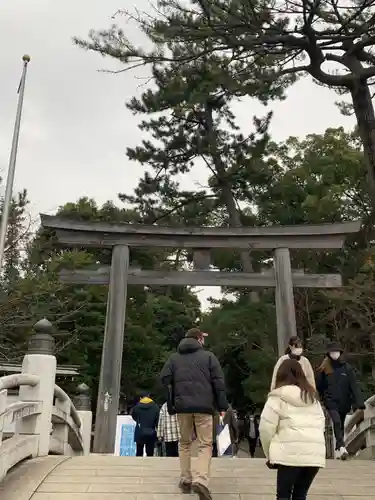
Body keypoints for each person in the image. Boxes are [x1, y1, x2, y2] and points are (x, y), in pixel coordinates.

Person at [160, 327, 228, 500]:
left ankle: (185, 479)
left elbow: (164, 378)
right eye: (202, 338)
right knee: (205, 444)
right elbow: (219, 383)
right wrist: (222, 406)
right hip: (204, 407)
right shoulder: (209, 357)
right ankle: (201, 480)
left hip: (182, 408)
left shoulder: (174, 358)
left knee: (184, 442)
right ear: (199, 339)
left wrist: (174, 395)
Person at [260, 358, 325, 500]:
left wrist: (269, 454)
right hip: (314, 454)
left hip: (288, 455)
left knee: (283, 495)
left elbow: (265, 428)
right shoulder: (313, 399)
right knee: (300, 495)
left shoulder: (277, 397)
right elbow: (321, 425)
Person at [315, 342, 365, 460]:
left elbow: (353, 386)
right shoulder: (324, 368)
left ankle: (338, 449)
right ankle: (342, 447)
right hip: (330, 401)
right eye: (332, 352)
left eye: (337, 352)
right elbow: (319, 386)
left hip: (344, 402)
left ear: (340, 353)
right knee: (336, 421)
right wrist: (322, 398)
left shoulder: (346, 368)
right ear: (328, 354)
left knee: (341, 424)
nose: (335, 354)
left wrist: (359, 402)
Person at [131, 391, 160, 457]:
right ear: (148, 396)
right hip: (151, 432)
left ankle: (139, 466)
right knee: (150, 453)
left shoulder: (137, 407)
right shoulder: (155, 406)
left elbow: (134, 416)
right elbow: (157, 419)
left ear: (140, 398)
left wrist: (139, 421)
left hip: (139, 431)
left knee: (139, 453)